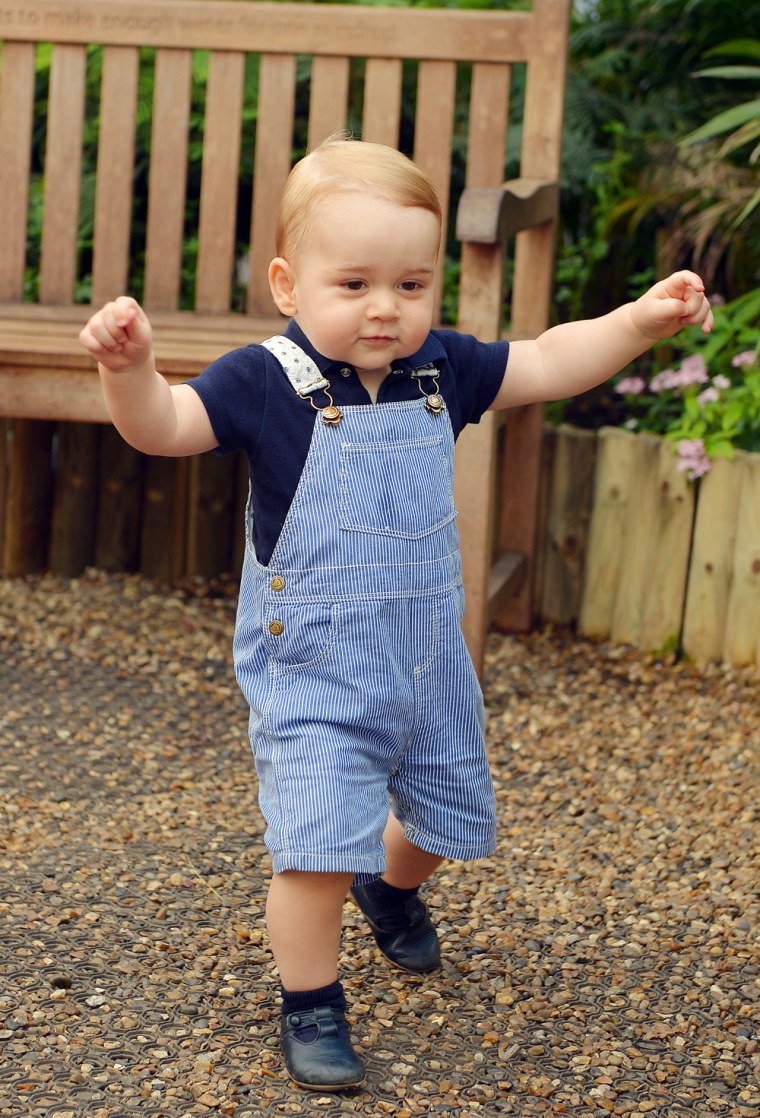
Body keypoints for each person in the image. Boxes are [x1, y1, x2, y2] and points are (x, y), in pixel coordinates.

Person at [79, 137, 713, 1093]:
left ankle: (392, 886)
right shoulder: (263, 381)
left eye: (413, 285)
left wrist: (633, 321)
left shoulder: (440, 370)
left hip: (425, 659)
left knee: (446, 818)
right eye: (357, 284)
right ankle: (312, 1003)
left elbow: (545, 360)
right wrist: (129, 370)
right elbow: (163, 427)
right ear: (289, 286)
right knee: (314, 850)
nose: (387, 308)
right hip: (314, 671)